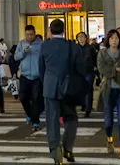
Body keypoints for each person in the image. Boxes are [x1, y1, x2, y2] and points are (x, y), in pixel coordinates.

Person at [39, 18, 83, 165]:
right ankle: (68, 148)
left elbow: (41, 69)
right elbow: (80, 68)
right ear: (64, 30)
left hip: (50, 86)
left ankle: (56, 152)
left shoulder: (45, 46)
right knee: (71, 118)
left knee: (52, 121)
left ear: (50, 30)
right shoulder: (72, 46)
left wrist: (45, 82)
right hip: (68, 87)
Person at [98, 29, 120, 161]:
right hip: (108, 90)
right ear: (108, 39)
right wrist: (115, 70)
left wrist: (113, 73)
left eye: (116, 38)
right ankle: (109, 139)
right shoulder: (102, 53)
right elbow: (102, 69)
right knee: (108, 121)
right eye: (112, 38)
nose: (114, 40)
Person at [15, 24, 43, 130]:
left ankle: (35, 121)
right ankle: (30, 114)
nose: (29, 36)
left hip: (36, 76)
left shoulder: (41, 44)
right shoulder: (21, 43)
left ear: (34, 33)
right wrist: (23, 52)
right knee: (23, 97)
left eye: (31, 34)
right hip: (25, 75)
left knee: (36, 98)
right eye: (27, 34)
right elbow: (16, 57)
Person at [75, 32, 97, 117]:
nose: (81, 38)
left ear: (86, 38)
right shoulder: (75, 48)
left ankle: (88, 108)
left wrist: (95, 68)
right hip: (79, 72)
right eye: (79, 37)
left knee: (88, 89)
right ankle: (83, 105)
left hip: (89, 71)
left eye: (82, 37)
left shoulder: (90, 47)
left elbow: (95, 57)